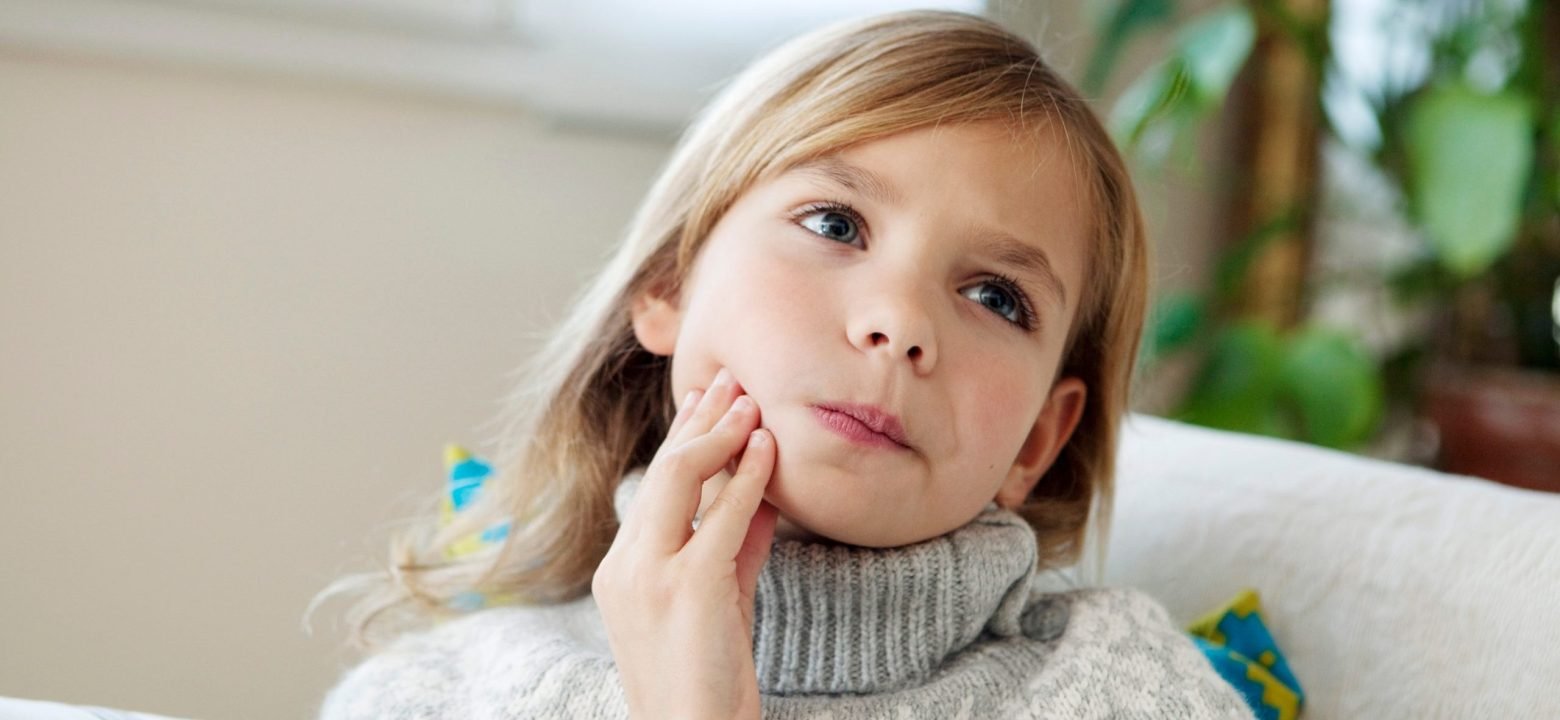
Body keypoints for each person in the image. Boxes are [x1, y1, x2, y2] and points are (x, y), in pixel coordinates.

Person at [309, 9, 1254, 719]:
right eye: (836, 224)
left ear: (1038, 440)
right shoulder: (440, 693)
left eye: (996, 297)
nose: (898, 323)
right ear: (670, 285)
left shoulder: (1126, 690)